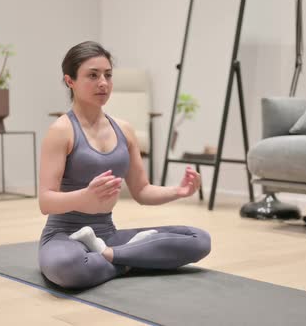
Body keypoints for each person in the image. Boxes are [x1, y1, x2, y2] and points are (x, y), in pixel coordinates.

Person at [38, 41, 211, 289]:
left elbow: (141, 191)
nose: (103, 83)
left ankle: (109, 255)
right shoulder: (61, 131)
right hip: (65, 237)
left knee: (199, 239)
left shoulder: (124, 129)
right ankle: (133, 259)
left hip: (107, 235)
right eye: (93, 75)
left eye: (108, 75)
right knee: (68, 268)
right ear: (70, 81)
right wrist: (85, 196)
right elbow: (46, 201)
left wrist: (178, 191)